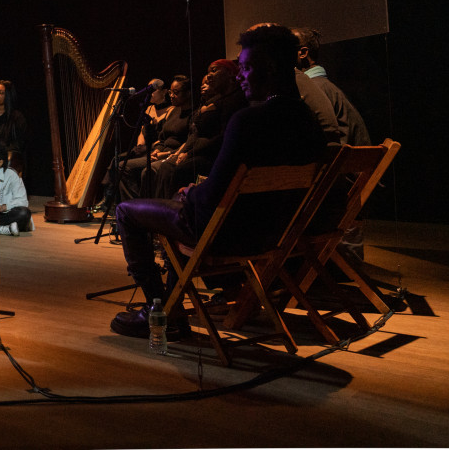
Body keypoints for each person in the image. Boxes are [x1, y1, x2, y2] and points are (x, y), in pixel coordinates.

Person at [108, 24, 329, 339]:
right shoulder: (307, 122)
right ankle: (171, 312)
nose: (240, 76)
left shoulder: (248, 121)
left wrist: (190, 194)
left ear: (271, 69)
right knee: (182, 202)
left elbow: (211, 199)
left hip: (227, 234)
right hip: (273, 236)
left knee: (127, 211)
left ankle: (158, 310)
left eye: (247, 68)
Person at [151, 63, 248, 198]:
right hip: (195, 151)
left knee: (171, 169)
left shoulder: (231, 101)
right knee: (157, 168)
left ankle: (171, 210)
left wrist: (186, 153)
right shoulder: (211, 103)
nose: (208, 78)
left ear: (230, 74)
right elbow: (195, 131)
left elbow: (220, 135)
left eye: (214, 71)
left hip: (209, 154)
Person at [112, 76, 193, 201]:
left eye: (176, 93)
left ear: (188, 93)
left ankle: (147, 207)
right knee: (122, 165)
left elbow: (189, 142)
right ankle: (134, 205)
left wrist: (166, 153)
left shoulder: (193, 114)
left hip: (173, 155)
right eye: (171, 92)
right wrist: (157, 150)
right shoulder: (174, 112)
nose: (171, 95)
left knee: (148, 171)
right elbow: (162, 138)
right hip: (159, 153)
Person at [293, 27, 371, 145]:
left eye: (285, 47)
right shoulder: (321, 85)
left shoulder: (314, 89)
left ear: (303, 53)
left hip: (347, 161)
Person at [0, 142, 34, 236]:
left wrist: (3, 207)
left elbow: (23, 201)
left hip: (4, 215)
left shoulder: (11, 175)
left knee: (24, 213)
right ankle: (3, 229)